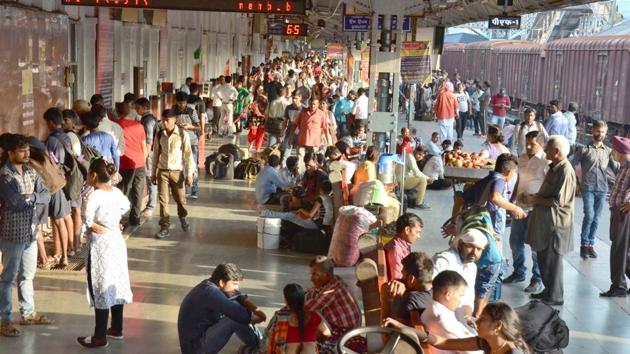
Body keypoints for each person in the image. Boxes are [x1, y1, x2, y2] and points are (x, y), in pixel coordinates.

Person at [0, 135, 53, 338]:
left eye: (27, 150)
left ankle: (28, 313)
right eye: (22, 151)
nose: (27, 154)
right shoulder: (5, 176)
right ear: (11, 153)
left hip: (30, 231)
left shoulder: (31, 171)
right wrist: (33, 198)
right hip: (12, 233)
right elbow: (15, 202)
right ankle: (5, 320)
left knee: (27, 275)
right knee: (8, 278)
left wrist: (30, 196)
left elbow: (46, 195)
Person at [77, 158, 133, 348]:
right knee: (115, 282)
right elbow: (126, 206)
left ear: (93, 175)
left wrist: (93, 226)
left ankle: (99, 336)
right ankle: (117, 328)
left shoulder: (95, 195)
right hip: (116, 241)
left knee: (100, 285)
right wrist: (114, 221)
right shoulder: (116, 192)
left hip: (101, 244)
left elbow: (86, 218)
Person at [525, 135, 576, 306]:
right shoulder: (554, 167)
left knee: (552, 262)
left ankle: (555, 296)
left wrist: (534, 200)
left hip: (555, 224)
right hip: (545, 223)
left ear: (557, 152)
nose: (545, 150)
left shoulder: (566, 171)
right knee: (543, 259)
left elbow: (557, 202)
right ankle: (548, 291)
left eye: (547, 148)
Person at [177, 263, 266, 354]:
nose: (237, 288)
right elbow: (239, 314)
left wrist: (254, 309)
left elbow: (238, 296)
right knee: (234, 318)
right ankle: (263, 345)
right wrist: (254, 316)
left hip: (200, 338)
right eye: (234, 284)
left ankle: (261, 343)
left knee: (237, 308)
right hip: (196, 349)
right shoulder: (210, 293)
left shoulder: (211, 285)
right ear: (222, 282)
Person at [384, 302, 529, 354]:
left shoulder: (513, 352)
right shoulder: (486, 341)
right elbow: (443, 342)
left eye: (483, 320)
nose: (476, 323)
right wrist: (403, 327)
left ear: (497, 326)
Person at [504, 131, 548, 294]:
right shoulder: (521, 158)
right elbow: (518, 181)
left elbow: (549, 187)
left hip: (536, 211)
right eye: (527, 143)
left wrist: (535, 199)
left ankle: (537, 279)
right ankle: (519, 272)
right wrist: (512, 201)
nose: (528, 146)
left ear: (541, 145)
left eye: (533, 144)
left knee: (535, 247)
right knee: (515, 242)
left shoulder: (546, 161)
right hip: (520, 208)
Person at [572, 120, 619, 259]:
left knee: (597, 218)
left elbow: (617, 169)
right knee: (590, 216)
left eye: (603, 132)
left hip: (602, 189)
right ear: (593, 132)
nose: (600, 134)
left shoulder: (609, 152)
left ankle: (590, 245)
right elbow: (571, 164)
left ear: (606, 134)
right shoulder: (584, 149)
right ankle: (583, 245)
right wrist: (575, 181)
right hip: (587, 187)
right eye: (598, 131)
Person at [152, 109, 195, 239]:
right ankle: (164, 226)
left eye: (167, 120)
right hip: (163, 172)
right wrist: (153, 173)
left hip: (177, 172)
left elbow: (188, 155)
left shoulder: (183, 134)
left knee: (180, 200)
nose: (165, 123)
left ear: (174, 120)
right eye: (163, 120)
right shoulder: (160, 135)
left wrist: (189, 174)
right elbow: (155, 155)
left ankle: (182, 216)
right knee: (163, 200)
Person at [305, 256, 362, 351]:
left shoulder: (334, 288)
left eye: (315, 274)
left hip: (345, 332)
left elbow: (311, 306)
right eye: (311, 274)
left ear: (327, 275)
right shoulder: (330, 282)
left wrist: (291, 306)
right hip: (339, 327)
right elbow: (311, 293)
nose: (311, 278)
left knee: (309, 314)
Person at [420, 270, 482, 354]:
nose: (461, 301)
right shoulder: (442, 320)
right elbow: (475, 352)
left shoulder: (432, 310)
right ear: (448, 294)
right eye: (460, 295)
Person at [434, 228, 487, 323]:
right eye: (470, 246)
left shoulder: (472, 267)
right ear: (460, 244)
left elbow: (468, 299)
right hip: (440, 316)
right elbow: (431, 292)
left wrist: (467, 319)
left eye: (479, 249)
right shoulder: (444, 260)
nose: (474, 252)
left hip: (459, 318)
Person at [43, 108, 75, 266]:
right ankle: (69, 248)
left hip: (56, 182)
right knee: (65, 216)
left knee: (58, 220)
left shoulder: (51, 140)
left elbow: (50, 162)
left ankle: (60, 254)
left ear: (50, 122)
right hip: (66, 180)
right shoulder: (66, 136)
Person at [600, 136, 630, 297]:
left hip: (623, 212)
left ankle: (618, 287)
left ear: (620, 151)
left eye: (614, 150)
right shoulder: (624, 166)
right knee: (623, 251)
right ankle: (619, 284)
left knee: (618, 250)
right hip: (619, 211)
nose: (612, 152)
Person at [265, 284, 331, 354]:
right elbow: (327, 333)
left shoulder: (280, 317)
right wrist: (314, 340)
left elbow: (270, 339)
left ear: (286, 301)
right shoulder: (314, 316)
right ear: (303, 299)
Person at [115, 102, 147, 231]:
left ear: (118, 112)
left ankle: (120, 218)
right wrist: (143, 162)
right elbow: (144, 146)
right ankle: (135, 218)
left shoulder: (117, 125)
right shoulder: (139, 126)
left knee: (123, 191)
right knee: (138, 191)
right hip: (139, 163)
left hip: (125, 163)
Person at [380, 252, 434, 326]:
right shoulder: (437, 292)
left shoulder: (410, 299)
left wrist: (385, 299)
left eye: (403, 275)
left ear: (411, 279)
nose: (401, 278)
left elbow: (386, 335)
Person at [173, 91, 201, 199]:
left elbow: (199, 127)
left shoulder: (191, 111)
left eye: (184, 103)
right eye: (180, 103)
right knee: (180, 165)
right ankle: (184, 189)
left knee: (192, 164)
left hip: (192, 141)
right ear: (176, 102)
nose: (182, 105)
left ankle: (194, 190)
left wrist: (190, 127)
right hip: (177, 141)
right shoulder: (173, 111)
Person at [134, 97, 158, 217]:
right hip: (148, 152)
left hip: (149, 153)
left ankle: (151, 205)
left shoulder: (148, 121)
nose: (136, 110)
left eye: (138, 108)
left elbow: (149, 142)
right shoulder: (147, 118)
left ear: (145, 108)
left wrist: (144, 157)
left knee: (150, 178)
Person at [290, 98, 327, 174]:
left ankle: (312, 176)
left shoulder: (321, 114)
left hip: (314, 143)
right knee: (300, 159)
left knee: (313, 161)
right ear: (308, 104)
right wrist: (291, 136)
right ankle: (299, 176)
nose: (312, 106)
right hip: (302, 141)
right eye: (311, 104)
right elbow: (294, 124)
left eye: (314, 104)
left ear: (318, 105)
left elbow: (325, 128)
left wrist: (328, 140)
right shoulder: (303, 112)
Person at [384, 213, 424, 280]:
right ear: (407, 230)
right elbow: (397, 279)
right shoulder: (396, 250)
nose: (419, 236)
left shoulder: (403, 245)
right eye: (417, 232)